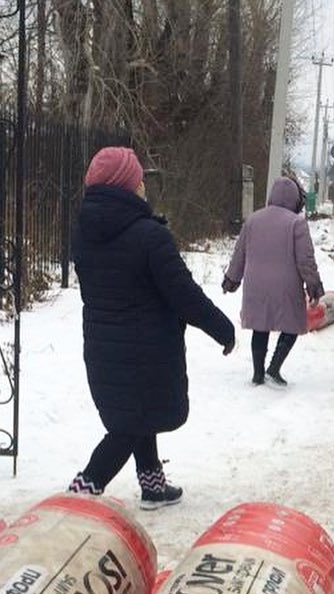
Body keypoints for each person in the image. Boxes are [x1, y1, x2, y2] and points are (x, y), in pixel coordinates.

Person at [68, 146, 236, 510]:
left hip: (103, 344)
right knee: (130, 424)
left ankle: (153, 484)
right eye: (138, 178)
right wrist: (222, 328)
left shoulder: (84, 231)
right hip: (147, 348)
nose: (143, 184)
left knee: (136, 412)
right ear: (127, 186)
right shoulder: (149, 236)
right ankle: (81, 495)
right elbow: (184, 294)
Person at [221, 177, 324, 387]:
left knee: (260, 327)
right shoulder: (297, 223)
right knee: (293, 326)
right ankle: (274, 367)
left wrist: (231, 278)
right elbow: (305, 259)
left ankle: (258, 374)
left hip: (256, 285)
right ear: (295, 199)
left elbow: (239, 253)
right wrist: (313, 285)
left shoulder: (253, 220)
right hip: (286, 286)